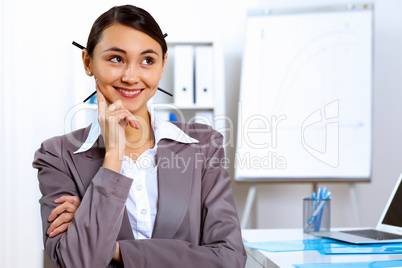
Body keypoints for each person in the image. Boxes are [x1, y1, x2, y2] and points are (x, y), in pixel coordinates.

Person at [32, 4, 246, 268]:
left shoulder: (204, 145)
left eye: (147, 60)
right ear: (88, 62)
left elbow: (229, 258)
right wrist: (113, 156)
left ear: (163, 64)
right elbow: (77, 262)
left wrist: (115, 247)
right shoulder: (57, 155)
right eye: (116, 58)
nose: (131, 77)